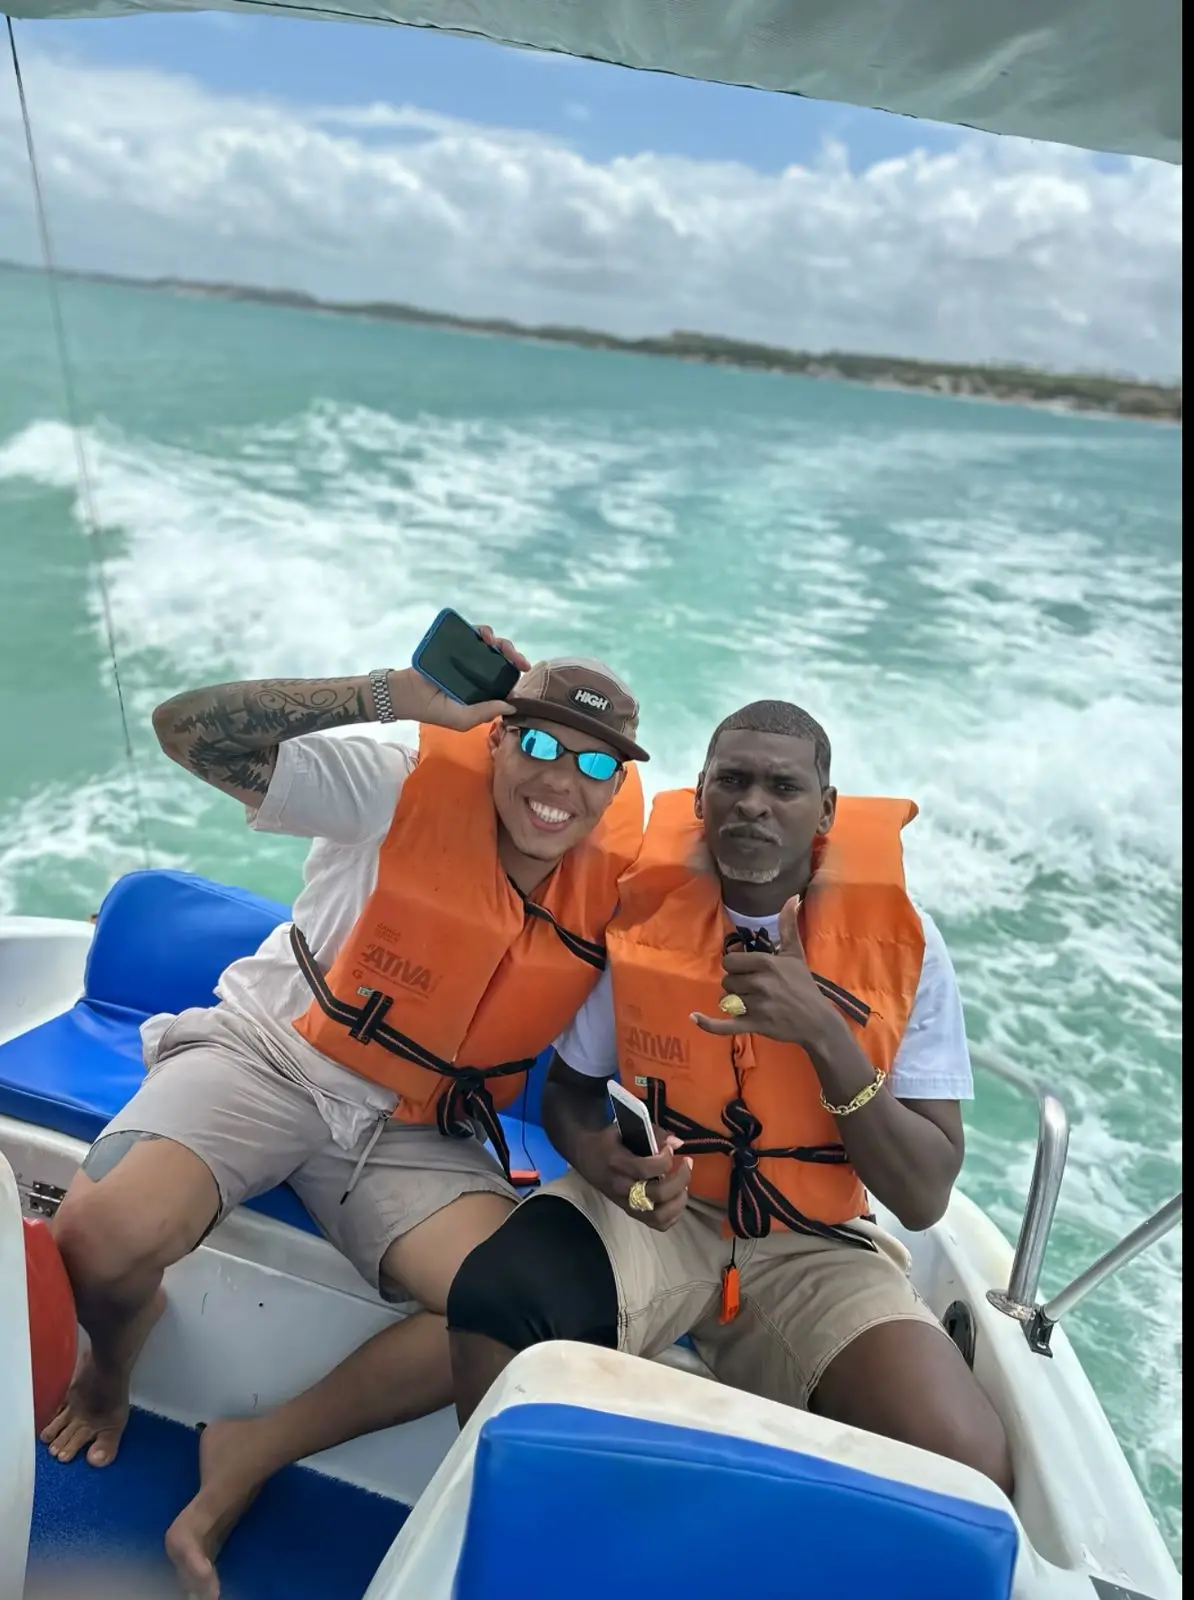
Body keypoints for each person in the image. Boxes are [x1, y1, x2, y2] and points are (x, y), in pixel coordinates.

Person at [41, 630, 649, 1599]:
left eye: (592, 763)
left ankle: (252, 1449)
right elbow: (184, 732)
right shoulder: (396, 778)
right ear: (495, 737)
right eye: (538, 743)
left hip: (418, 1127)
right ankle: (113, 1360)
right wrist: (391, 695)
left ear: (617, 788)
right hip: (276, 1052)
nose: (559, 781)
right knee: (99, 1234)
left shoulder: (615, 889)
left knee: (522, 1315)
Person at [447, 699, 1014, 1495]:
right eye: (733, 780)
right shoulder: (644, 914)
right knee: (496, 1297)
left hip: (814, 1241)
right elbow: (570, 1095)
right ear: (702, 792)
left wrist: (824, 1033)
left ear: (827, 809)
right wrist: (608, 1164)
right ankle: (519, 1532)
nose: (753, 803)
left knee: (964, 1456)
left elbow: (922, 1197)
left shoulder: (904, 945)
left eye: (783, 787)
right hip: (664, 1217)